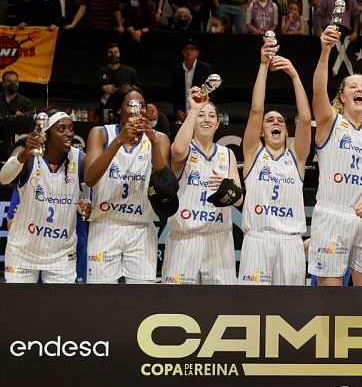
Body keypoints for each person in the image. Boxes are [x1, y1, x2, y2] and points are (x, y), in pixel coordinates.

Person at [309, 24, 362, 286]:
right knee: (331, 297)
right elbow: (319, 92)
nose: (359, 89)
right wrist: (325, 51)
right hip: (333, 214)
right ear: (342, 96)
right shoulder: (330, 122)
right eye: (353, 86)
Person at [239, 43, 311, 285]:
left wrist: (294, 75)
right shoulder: (253, 153)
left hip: (291, 242)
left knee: (291, 305)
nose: (276, 122)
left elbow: (305, 119)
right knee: (253, 304)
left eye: (280, 120)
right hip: (257, 239)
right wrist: (263, 65)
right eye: (270, 121)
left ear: (286, 131)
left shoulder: (296, 157)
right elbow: (256, 110)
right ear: (262, 131)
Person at [83, 85, 170, 283]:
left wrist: (154, 142)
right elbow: (89, 178)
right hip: (105, 225)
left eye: (142, 105)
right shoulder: (101, 133)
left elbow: (164, 184)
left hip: (141, 228)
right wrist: (118, 140)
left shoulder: (159, 138)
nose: (138, 109)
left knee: (141, 298)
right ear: (119, 109)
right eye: (132, 104)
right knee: (102, 297)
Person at [162, 87, 242, 284]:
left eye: (211, 116)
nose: (206, 119)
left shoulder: (227, 154)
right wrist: (194, 108)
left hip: (219, 240)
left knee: (222, 301)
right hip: (185, 239)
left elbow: (239, 200)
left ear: (217, 124)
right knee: (178, 301)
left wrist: (227, 188)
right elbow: (177, 150)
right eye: (201, 115)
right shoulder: (185, 150)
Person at [0, 112, 86, 282]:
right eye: (61, 129)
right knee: (18, 300)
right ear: (46, 134)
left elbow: (91, 183)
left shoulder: (79, 158)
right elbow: (3, 178)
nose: (69, 133)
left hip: (61, 255)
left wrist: (87, 202)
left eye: (71, 129)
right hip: (23, 253)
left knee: (60, 301)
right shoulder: (29, 156)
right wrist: (24, 153)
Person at [170, 38, 214, 123]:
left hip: (200, 112)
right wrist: (177, 110)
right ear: (183, 52)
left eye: (192, 49)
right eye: (186, 49)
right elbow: (173, 91)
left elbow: (211, 92)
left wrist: (202, 110)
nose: (189, 51)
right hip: (182, 113)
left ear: (197, 52)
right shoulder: (177, 69)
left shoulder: (205, 69)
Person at [96, 43, 142, 123]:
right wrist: (103, 88)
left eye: (116, 52)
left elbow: (138, 91)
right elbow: (93, 90)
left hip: (126, 108)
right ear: (107, 54)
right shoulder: (100, 72)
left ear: (119, 54)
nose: (113, 54)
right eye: (110, 52)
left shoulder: (130, 72)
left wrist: (126, 89)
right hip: (106, 109)